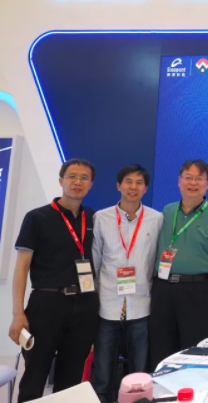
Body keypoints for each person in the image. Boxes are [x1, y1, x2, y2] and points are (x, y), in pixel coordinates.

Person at [9, 159, 99, 402]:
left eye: (84, 178)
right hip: (47, 304)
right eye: (72, 176)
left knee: (71, 378)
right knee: (35, 374)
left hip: (85, 305)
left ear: (91, 184)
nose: (78, 182)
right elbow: (21, 267)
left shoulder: (92, 217)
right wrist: (18, 313)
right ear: (61, 181)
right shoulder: (37, 217)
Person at [149, 159, 208, 370]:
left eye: (199, 178)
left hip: (198, 291)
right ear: (179, 181)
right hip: (163, 289)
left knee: (195, 350)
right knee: (161, 348)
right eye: (188, 177)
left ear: (207, 183)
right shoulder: (167, 211)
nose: (193, 183)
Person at [90, 164, 163, 403]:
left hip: (141, 305)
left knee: (139, 375)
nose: (133, 187)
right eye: (128, 182)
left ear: (146, 188)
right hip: (108, 305)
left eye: (139, 183)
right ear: (118, 185)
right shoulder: (101, 218)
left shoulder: (156, 219)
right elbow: (94, 260)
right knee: (103, 373)